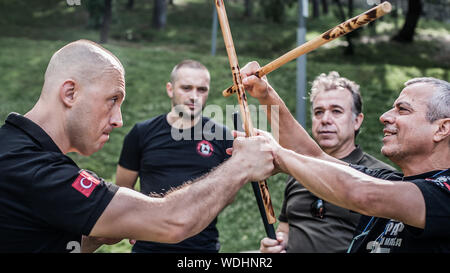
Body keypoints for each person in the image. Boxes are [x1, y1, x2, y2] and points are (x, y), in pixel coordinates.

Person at [0, 41, 276, 253]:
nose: (119, 120)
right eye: (113, 99)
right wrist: (239, 165)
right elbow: (172, 221)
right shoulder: (32, 167)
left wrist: (94, 235)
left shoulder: (20, 153)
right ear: (71, 93)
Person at [240, 61, 450, 253]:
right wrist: (266, 95)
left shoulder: (444, 193)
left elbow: (362, 194)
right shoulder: (391, 182)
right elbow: (310, 155)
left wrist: (277, 153)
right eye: (319, 112)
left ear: (442, 128)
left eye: (402, 110)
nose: (385, 116)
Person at [259, 72, 395, 253]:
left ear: (357, 121)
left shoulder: (381, 178)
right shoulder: (297, 171)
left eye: (336, 111)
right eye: (318, 112)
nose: (325, 119)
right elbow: (284, 230)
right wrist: (277, 244)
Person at [115, 60, 233, 253]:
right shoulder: (142, 133)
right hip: (149, 246)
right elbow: (123, 187)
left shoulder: (221, 137)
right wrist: (132, 220)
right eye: (186, 88)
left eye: (201, 90)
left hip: (201, 247)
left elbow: (228, 193)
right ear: (170, 89)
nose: (194, 96)